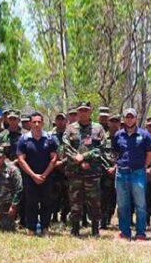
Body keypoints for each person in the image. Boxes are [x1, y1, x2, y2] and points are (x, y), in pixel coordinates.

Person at [62, 101, 106, 236]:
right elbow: (66, 146)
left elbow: (101, 148)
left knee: (94, 202)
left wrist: (85, 157)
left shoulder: (98, 129)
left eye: (86, 110)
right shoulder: (70, 128)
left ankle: (95, 228)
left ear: (90, 112)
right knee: (75, 201)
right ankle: (75, 228)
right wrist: (78, 159)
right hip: (75, 173)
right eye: (80, 110)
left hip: (92, 173)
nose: (83, 113)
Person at [111, 108, 151, 240]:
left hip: (138, 173)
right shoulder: (118, 135)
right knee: (123, 204)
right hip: (122, 173)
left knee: (140, 204)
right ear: (124, 119)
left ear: (136, 118)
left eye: (132, 117)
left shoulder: (145, 135)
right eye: (127, 117)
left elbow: (150, 153)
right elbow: (115, 152)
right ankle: (124, 232)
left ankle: (140, 232)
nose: (129, 119)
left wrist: (144, 166)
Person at [16, 112, 59, 235]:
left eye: (39, 122)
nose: (36, 124)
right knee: (31, 203)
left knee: (46, 203)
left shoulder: (50, 139)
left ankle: (45, 227)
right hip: (30, 177)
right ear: (30, 123)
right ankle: (31, 229)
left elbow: (54, 158)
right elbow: (21, 159)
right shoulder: (24, 139)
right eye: (34, 122)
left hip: (47, 177)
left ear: (43, 123)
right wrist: (33, 175)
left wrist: (44, 175)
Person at [100, 113, 120, 229]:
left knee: (115, 197)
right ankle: (103, 221)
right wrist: (107, 168)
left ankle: (110, 218)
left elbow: (125, 154)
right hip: (105, 173)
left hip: (119, 172)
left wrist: (116, 167)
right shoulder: (103, 138)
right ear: (108, 123)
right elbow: (99, 153)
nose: (114, 123)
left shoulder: (123, 137)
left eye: (116, 121)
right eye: (112, 121)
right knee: (104, 197)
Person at [50, 112, 70, 224]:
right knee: (53, 195)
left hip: (68, 168)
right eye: (58, 119)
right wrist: (54, 163)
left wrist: (63, 162)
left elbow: (74, 150)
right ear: (55, 121)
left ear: (66, 121)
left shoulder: (70, 134)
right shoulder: (49, 135)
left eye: (62, 119)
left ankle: (64, 217)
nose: (60, 121)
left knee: (67, 195)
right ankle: (53, 217)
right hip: (53, 170)